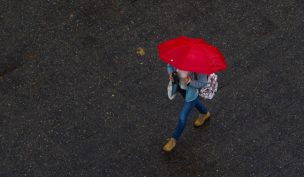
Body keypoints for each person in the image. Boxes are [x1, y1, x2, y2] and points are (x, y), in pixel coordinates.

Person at [163, 64, 211, 152]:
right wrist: (170, 73)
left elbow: (203, 82)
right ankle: (205, 113)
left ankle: (174, 138)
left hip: (190, 92)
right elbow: (170, 65)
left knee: (182, 117)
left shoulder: (199, 65)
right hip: (181, 88)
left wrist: (189, 82)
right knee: (195, 101)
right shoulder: (179, 56)